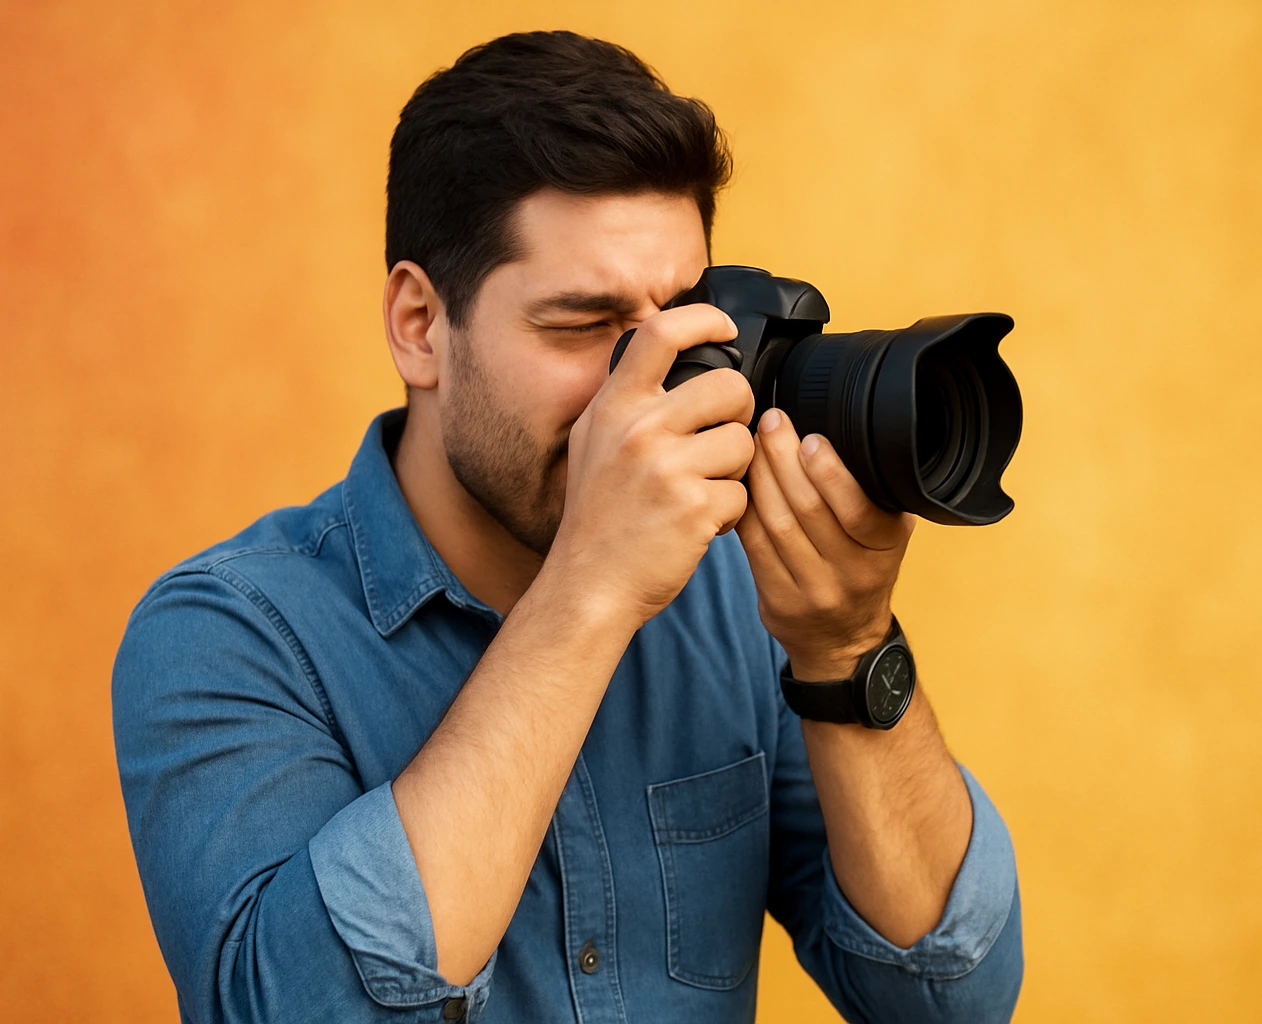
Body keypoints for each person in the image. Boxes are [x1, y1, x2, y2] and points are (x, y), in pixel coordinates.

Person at [112, 30, 1023, 1024]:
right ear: (420, 325)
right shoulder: (228, 635)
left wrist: (847, 648)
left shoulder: (734, 595)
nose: (651, 385)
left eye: (681, 318)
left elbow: (950, 1001)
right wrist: (589, 596)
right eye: (584, 326)